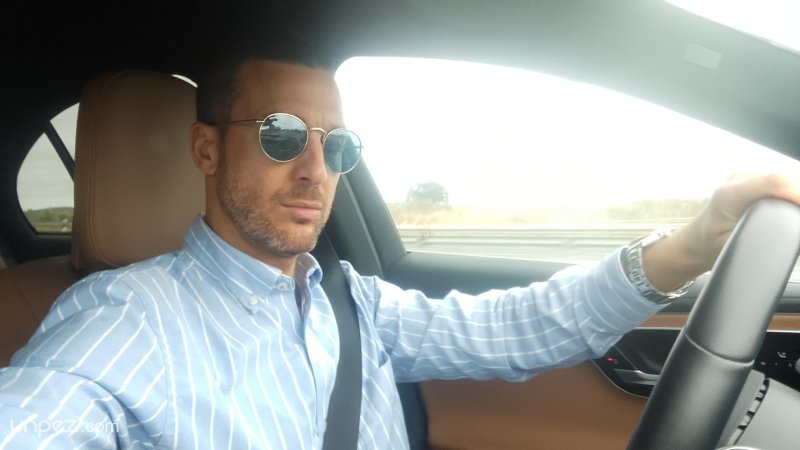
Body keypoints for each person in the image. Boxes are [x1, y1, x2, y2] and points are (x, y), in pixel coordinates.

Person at [1, 49, 799, 449]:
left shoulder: (352, 302)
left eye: (339, 146)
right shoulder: (125, 320)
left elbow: (518, 327)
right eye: (281, 136)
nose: (315, 169)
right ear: (207, 150)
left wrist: (695, 244)